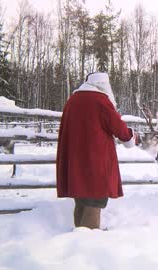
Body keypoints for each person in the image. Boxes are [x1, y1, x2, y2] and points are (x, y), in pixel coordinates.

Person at [56, 72, 136, 230]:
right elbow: (118, 128)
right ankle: (89, 239)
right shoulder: (101, 101)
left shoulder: (73, 100)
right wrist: (129, 136)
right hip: (96, 160)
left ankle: (79, 233)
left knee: (81, 199)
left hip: (75, 160)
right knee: (95, 200)